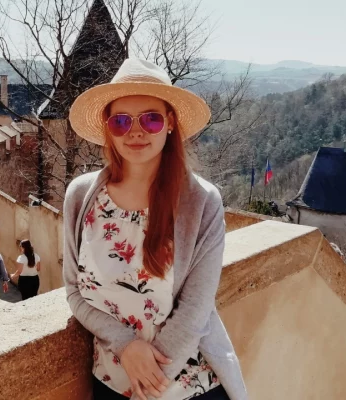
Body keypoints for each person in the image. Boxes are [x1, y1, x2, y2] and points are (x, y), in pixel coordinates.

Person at [63, 59, 247, 400]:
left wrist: (146, 389)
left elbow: (194, 312)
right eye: (121, 121)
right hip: (111, 384)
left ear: (170, 123)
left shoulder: (200, 202)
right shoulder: (81, 197)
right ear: (108, 128)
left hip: (187, 387)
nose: (136, 132)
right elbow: (75, 292)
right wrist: (125, 344)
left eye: (150, 119)